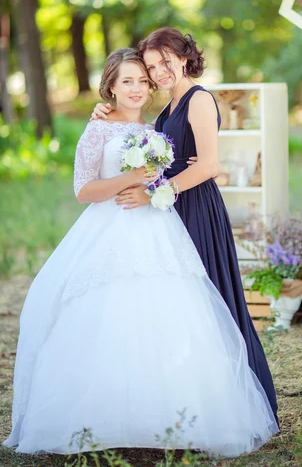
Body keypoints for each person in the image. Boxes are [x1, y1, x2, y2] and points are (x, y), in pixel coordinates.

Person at [3, 48, 278, 457]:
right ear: (110, 86)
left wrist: (151, 187)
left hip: (159, 230)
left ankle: (169, 412)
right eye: (126, 81)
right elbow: (83, 190)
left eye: (142, 81)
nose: (136, 88)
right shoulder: (97, 129)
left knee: (170, 313)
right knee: (109, 314)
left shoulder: (156, 129)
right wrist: (131, 177)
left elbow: (173, 172)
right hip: (110, 232)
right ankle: (102, 415)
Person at [91, 28, 279, 423]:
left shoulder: (199, 99)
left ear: (184, 56)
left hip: (196, 209)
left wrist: (153, 193)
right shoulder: (165, 110)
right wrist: (102, 111)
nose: (159, 72)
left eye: (165, 62)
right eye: (152, 66)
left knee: (213, 301)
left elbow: (210, 166)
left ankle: (238, 399)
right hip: (171, 209)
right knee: (183, 307)